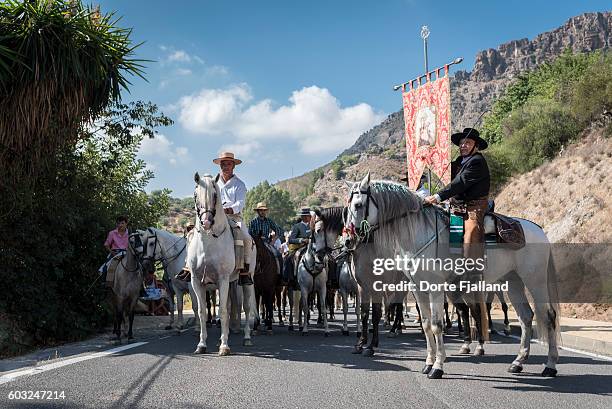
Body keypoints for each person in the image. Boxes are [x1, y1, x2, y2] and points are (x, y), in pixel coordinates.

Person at [423, 128, 490, 262]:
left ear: (476, 147)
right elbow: (444, 169)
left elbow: (460, 183)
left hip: (474, 206)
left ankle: (473, 270)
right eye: (461, 143)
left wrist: (437, 197)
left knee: (471, 233)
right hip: (456, 205)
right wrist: (430, 159)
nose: (463, 146)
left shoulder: (477, 161)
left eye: (468, 143)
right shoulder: (460, 161)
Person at [214, 151, 254, 286]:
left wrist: (229, 209)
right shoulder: (213, 183)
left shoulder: (239, 184)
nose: (225, 166)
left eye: (228, 164)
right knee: (193, 233)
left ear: (233, 166)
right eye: (223, 164)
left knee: (246, 238)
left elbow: (240, 203)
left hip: (233, 217)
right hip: (214, 216)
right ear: (220, 165)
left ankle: (245, 270)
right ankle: (189, 267)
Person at [282, 208, 312, 283]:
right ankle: (294, 276)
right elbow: (291, 240)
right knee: (295, 256)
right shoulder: (297, 226)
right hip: (301, 247)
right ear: (302, 217)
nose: (307, 217)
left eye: (308, 215)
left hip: (312, 247)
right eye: (305, 216)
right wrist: (301, 240)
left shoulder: (313, 225)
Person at [98, 215, 129, 285]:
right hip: (115, 252)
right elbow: (106, 244)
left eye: (122, 223)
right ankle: (106, 283)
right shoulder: (112, 233)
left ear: (126, 224)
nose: (120, 225)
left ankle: (141, 288)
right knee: (106, 266)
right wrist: (112, 252)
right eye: (118, 223)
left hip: (127, 253)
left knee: (139, 266)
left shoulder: (129, 233)